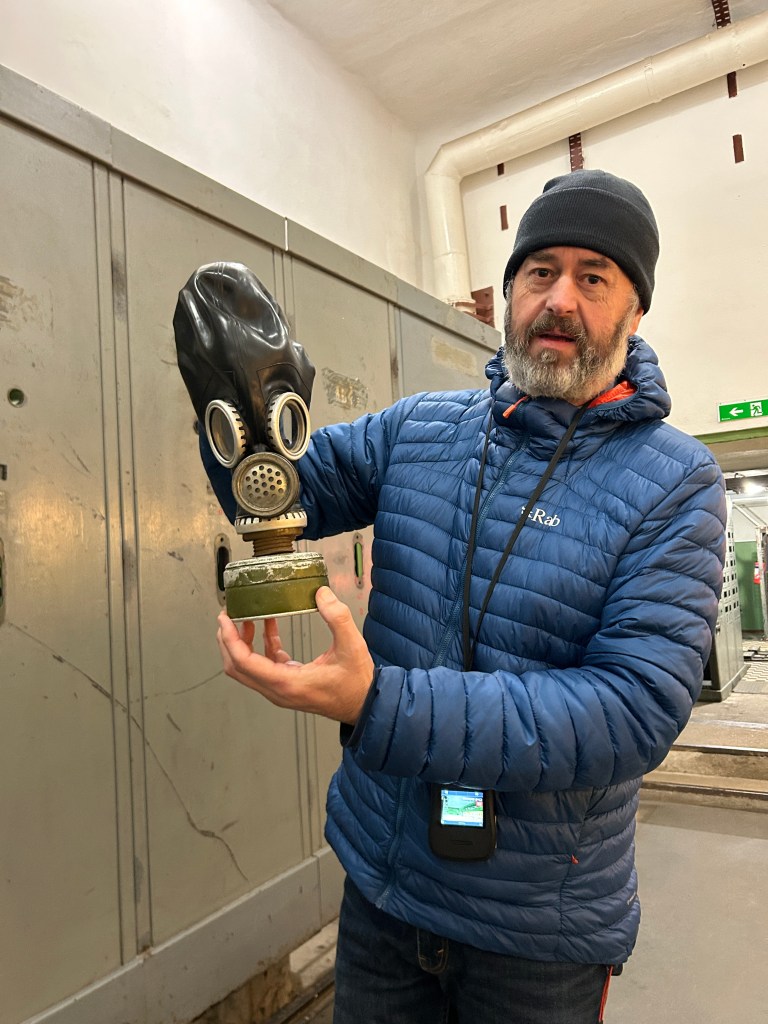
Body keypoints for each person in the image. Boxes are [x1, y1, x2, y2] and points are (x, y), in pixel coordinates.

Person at [208, 169, 726, 1023]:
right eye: (539, 271)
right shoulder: (420, 428)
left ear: (635, 311)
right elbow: (284, 493)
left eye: (594, 277)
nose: (559, 299)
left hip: (537, 932)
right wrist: (237, 412)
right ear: (509, 293)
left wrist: (378, 702)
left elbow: (632, 710)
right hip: (383, 882)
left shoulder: (677, 483)